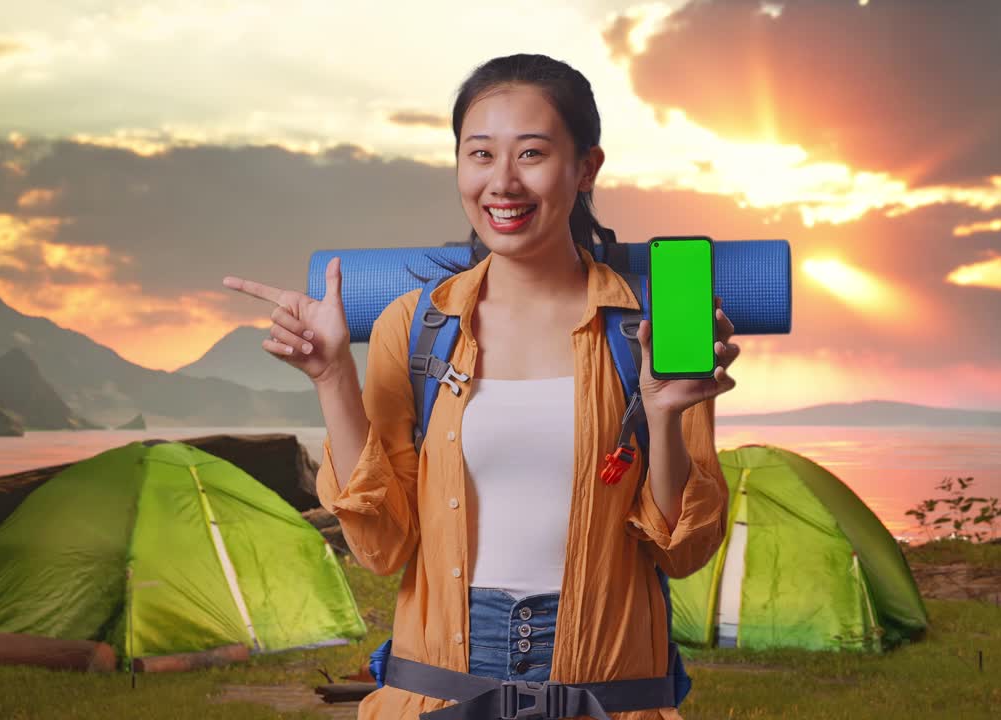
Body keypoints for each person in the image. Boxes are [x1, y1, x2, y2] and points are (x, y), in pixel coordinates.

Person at [223, 53, 739, 720]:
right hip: (436, 692)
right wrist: (331, 378)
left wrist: (664, 415)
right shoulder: (413, 329)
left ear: (585, 168)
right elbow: (382, 548)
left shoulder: (648, 332)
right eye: (480, 154)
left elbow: (684, 550)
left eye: (531, 154)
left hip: (611, 697)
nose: (503, 182)